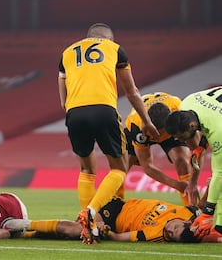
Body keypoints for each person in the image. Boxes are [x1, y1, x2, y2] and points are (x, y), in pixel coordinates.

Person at [57, 22, 159, 244]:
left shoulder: (66, 53)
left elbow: (63, 96)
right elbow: (131, 92)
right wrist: (147, 120)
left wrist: (73, 113)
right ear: (108, 38)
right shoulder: (114, 49)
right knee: (119, 168)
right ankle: (93, 211)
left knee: (86, 169)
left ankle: (87, 222)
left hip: (74, 113)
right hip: (104, 109)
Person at [4, 196, 222, 243]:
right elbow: (212, 232)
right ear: (186, 222)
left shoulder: (154, 235)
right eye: (174, 227)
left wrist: (105, 231)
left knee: (79, 231)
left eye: (171, 235)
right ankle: (28, 228)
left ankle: (27, 228)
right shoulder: (191, 214)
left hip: (113, 222)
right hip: (118, 205)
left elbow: (119, 237)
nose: (169, 229)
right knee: (81, 228)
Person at [165, 86, 222, 238]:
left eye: (180, 136)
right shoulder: (186, 104)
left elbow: (219, 175)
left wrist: (207, 213)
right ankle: (220, 229)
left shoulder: (219, 131)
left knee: (219, 174)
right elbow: (207, 119)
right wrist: (201, 146)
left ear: (191, 126)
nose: (178, 140)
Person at [124, 92, 194, 205]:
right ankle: (112, 208)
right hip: (140, 130)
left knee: (183, 162)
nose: (157, 138)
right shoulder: (136, 127)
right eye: (154, 134)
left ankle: (192, 209)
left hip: (170, 128)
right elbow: (147, 166)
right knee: (121, 170)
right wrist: (176, 185)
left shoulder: (178, 109)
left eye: (160, 134)